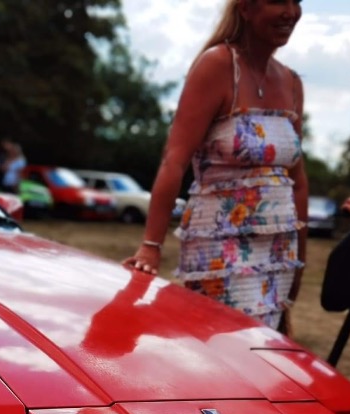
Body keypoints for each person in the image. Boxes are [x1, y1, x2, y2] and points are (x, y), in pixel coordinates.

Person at [124, 0, 307, 333]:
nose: (290, 12)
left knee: (263, 349)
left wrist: (299, 261)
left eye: (298, 1)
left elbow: (298, 178)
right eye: (278, 0)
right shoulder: (218, 65)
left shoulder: (293, 83)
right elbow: (174, 160)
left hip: (278, 250)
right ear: (246, 8)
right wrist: (151, 246)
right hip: (219, 245)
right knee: (221, 347)